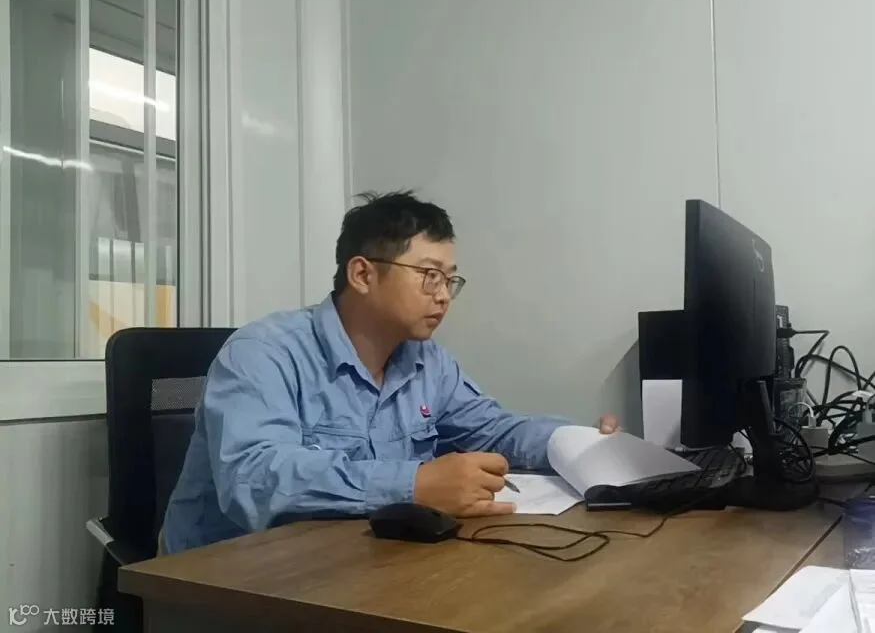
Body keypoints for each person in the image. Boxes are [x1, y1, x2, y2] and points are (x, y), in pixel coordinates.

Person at [160, 190, 619, 554]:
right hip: (222, 586)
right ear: (362, 275)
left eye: (450, 280)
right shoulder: (263, 352)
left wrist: (576, 443)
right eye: (429, 275)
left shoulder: (427, 361)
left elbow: (494, 429)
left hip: (351, 566)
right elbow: (254, 479)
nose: (443, 295)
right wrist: (414, 485)